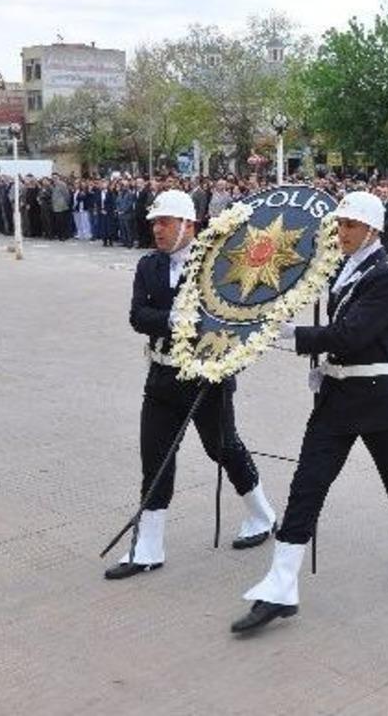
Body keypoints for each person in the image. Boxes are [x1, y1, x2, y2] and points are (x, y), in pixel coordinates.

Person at [232, 192, 388, 633]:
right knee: (307, 485)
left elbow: (351, 335)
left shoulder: (386, 277)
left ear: (372, 229)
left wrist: (289, 334)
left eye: (350, 225)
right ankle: (280, 586)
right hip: (337, 397)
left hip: (380, 398)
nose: (341, 232)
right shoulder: (346, 267)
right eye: (339, 224)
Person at [105, 190, 277, 580]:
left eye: (165, 222)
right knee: (155, 458)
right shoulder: (148, 265)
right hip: (162, 375)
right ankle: (148, 548)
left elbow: (234, 317)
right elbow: (137, 316)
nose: (157, 229)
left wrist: (217, 345)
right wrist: (176, 319)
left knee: (223, 448)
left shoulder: (217, 265)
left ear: (188, 224)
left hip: (206, 376)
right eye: (154, 222)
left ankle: (262, 515)